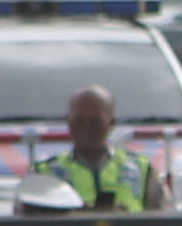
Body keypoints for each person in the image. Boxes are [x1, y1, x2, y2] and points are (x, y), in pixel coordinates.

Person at [35, 84, 161, 214]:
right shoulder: (45, 172)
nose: (86, 129)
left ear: (112, 124)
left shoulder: (141, 169)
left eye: (95, 123)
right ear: (68, 121)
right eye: (78, 121)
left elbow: (165, 223)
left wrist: (124, 217)